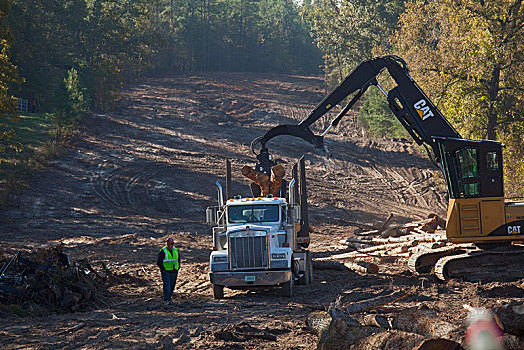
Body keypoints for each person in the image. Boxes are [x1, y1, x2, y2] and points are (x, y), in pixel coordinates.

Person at [157, 237, 180, 306]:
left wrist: (178, 268)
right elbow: (159, 262)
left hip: (174, 271)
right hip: (166, 271)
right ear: (167, 244)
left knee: (172, 285)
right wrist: (163, 269)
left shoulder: (175, 250)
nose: (171, 245)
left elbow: (178, 260)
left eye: (172, 244)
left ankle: (169, 297)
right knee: (167, 285)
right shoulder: (163, 251)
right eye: (170, 244)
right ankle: (167, 299)